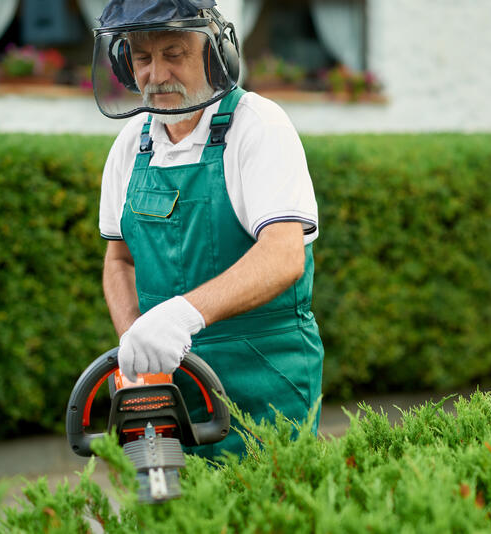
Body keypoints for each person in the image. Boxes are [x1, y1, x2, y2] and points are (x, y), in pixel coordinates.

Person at [93, 0, 324, 459]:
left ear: (215, 53)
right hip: (167, 392)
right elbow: (119, 260)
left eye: (174, 53)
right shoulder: (131, 145)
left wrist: (179, 317)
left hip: (262, 382)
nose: (156, 74)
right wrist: (137, 344)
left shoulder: (258, 126)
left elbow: (283, 254)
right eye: (141, 57)